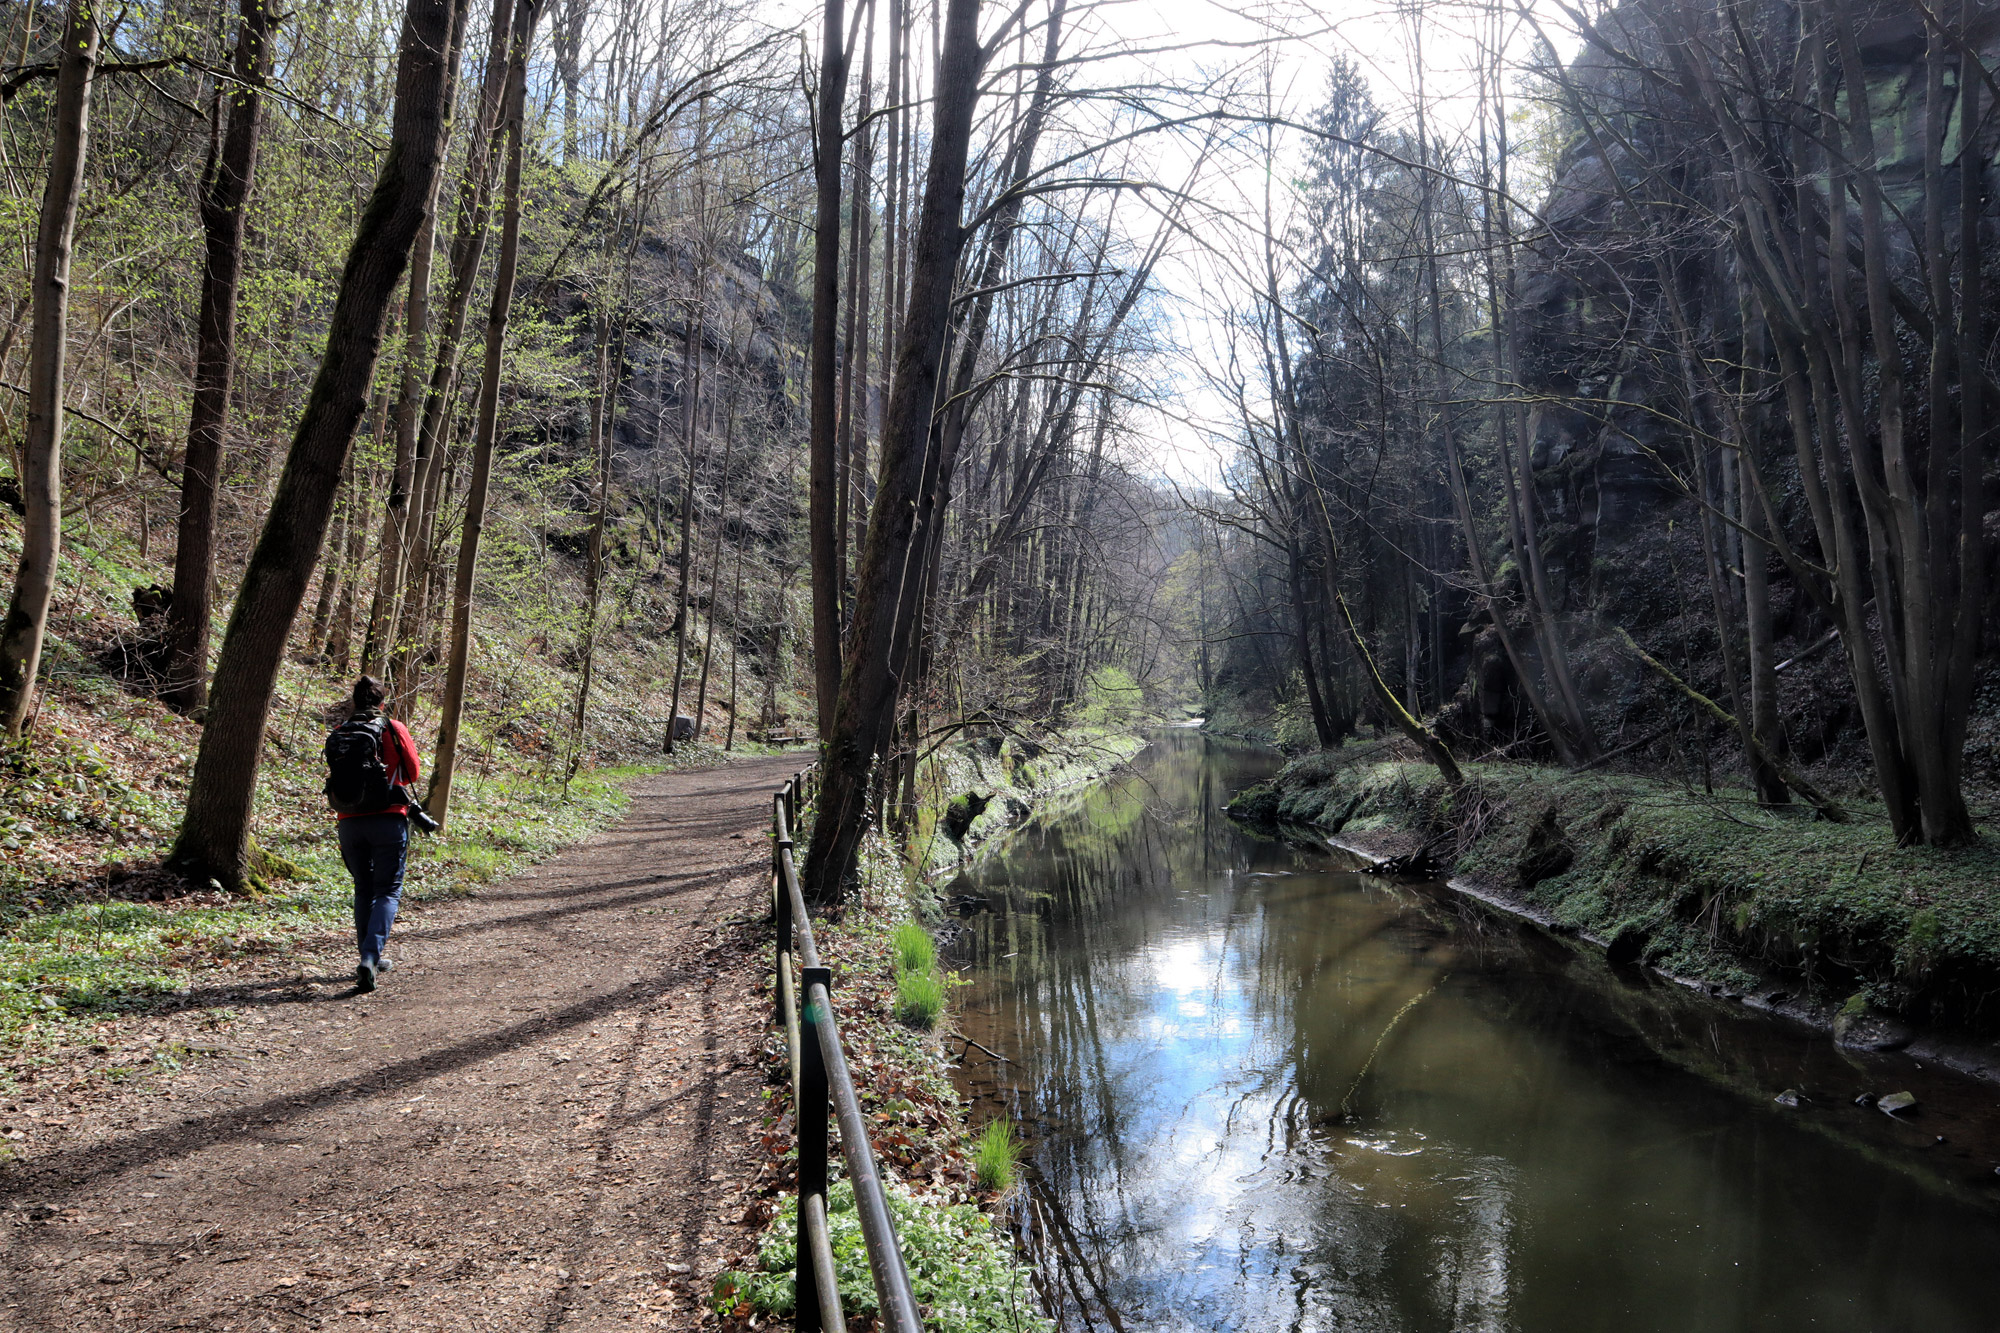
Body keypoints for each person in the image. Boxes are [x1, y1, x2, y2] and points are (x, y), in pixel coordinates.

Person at [329, 676, 422, 993]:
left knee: (362, 888)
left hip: (349, 820)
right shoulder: (392, 728)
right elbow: (412, 773)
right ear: (382, 703)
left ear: (355, 702)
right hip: (387, 819)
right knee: (387, 891)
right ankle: (370, 958)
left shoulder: (341, 732)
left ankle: (368, 956)